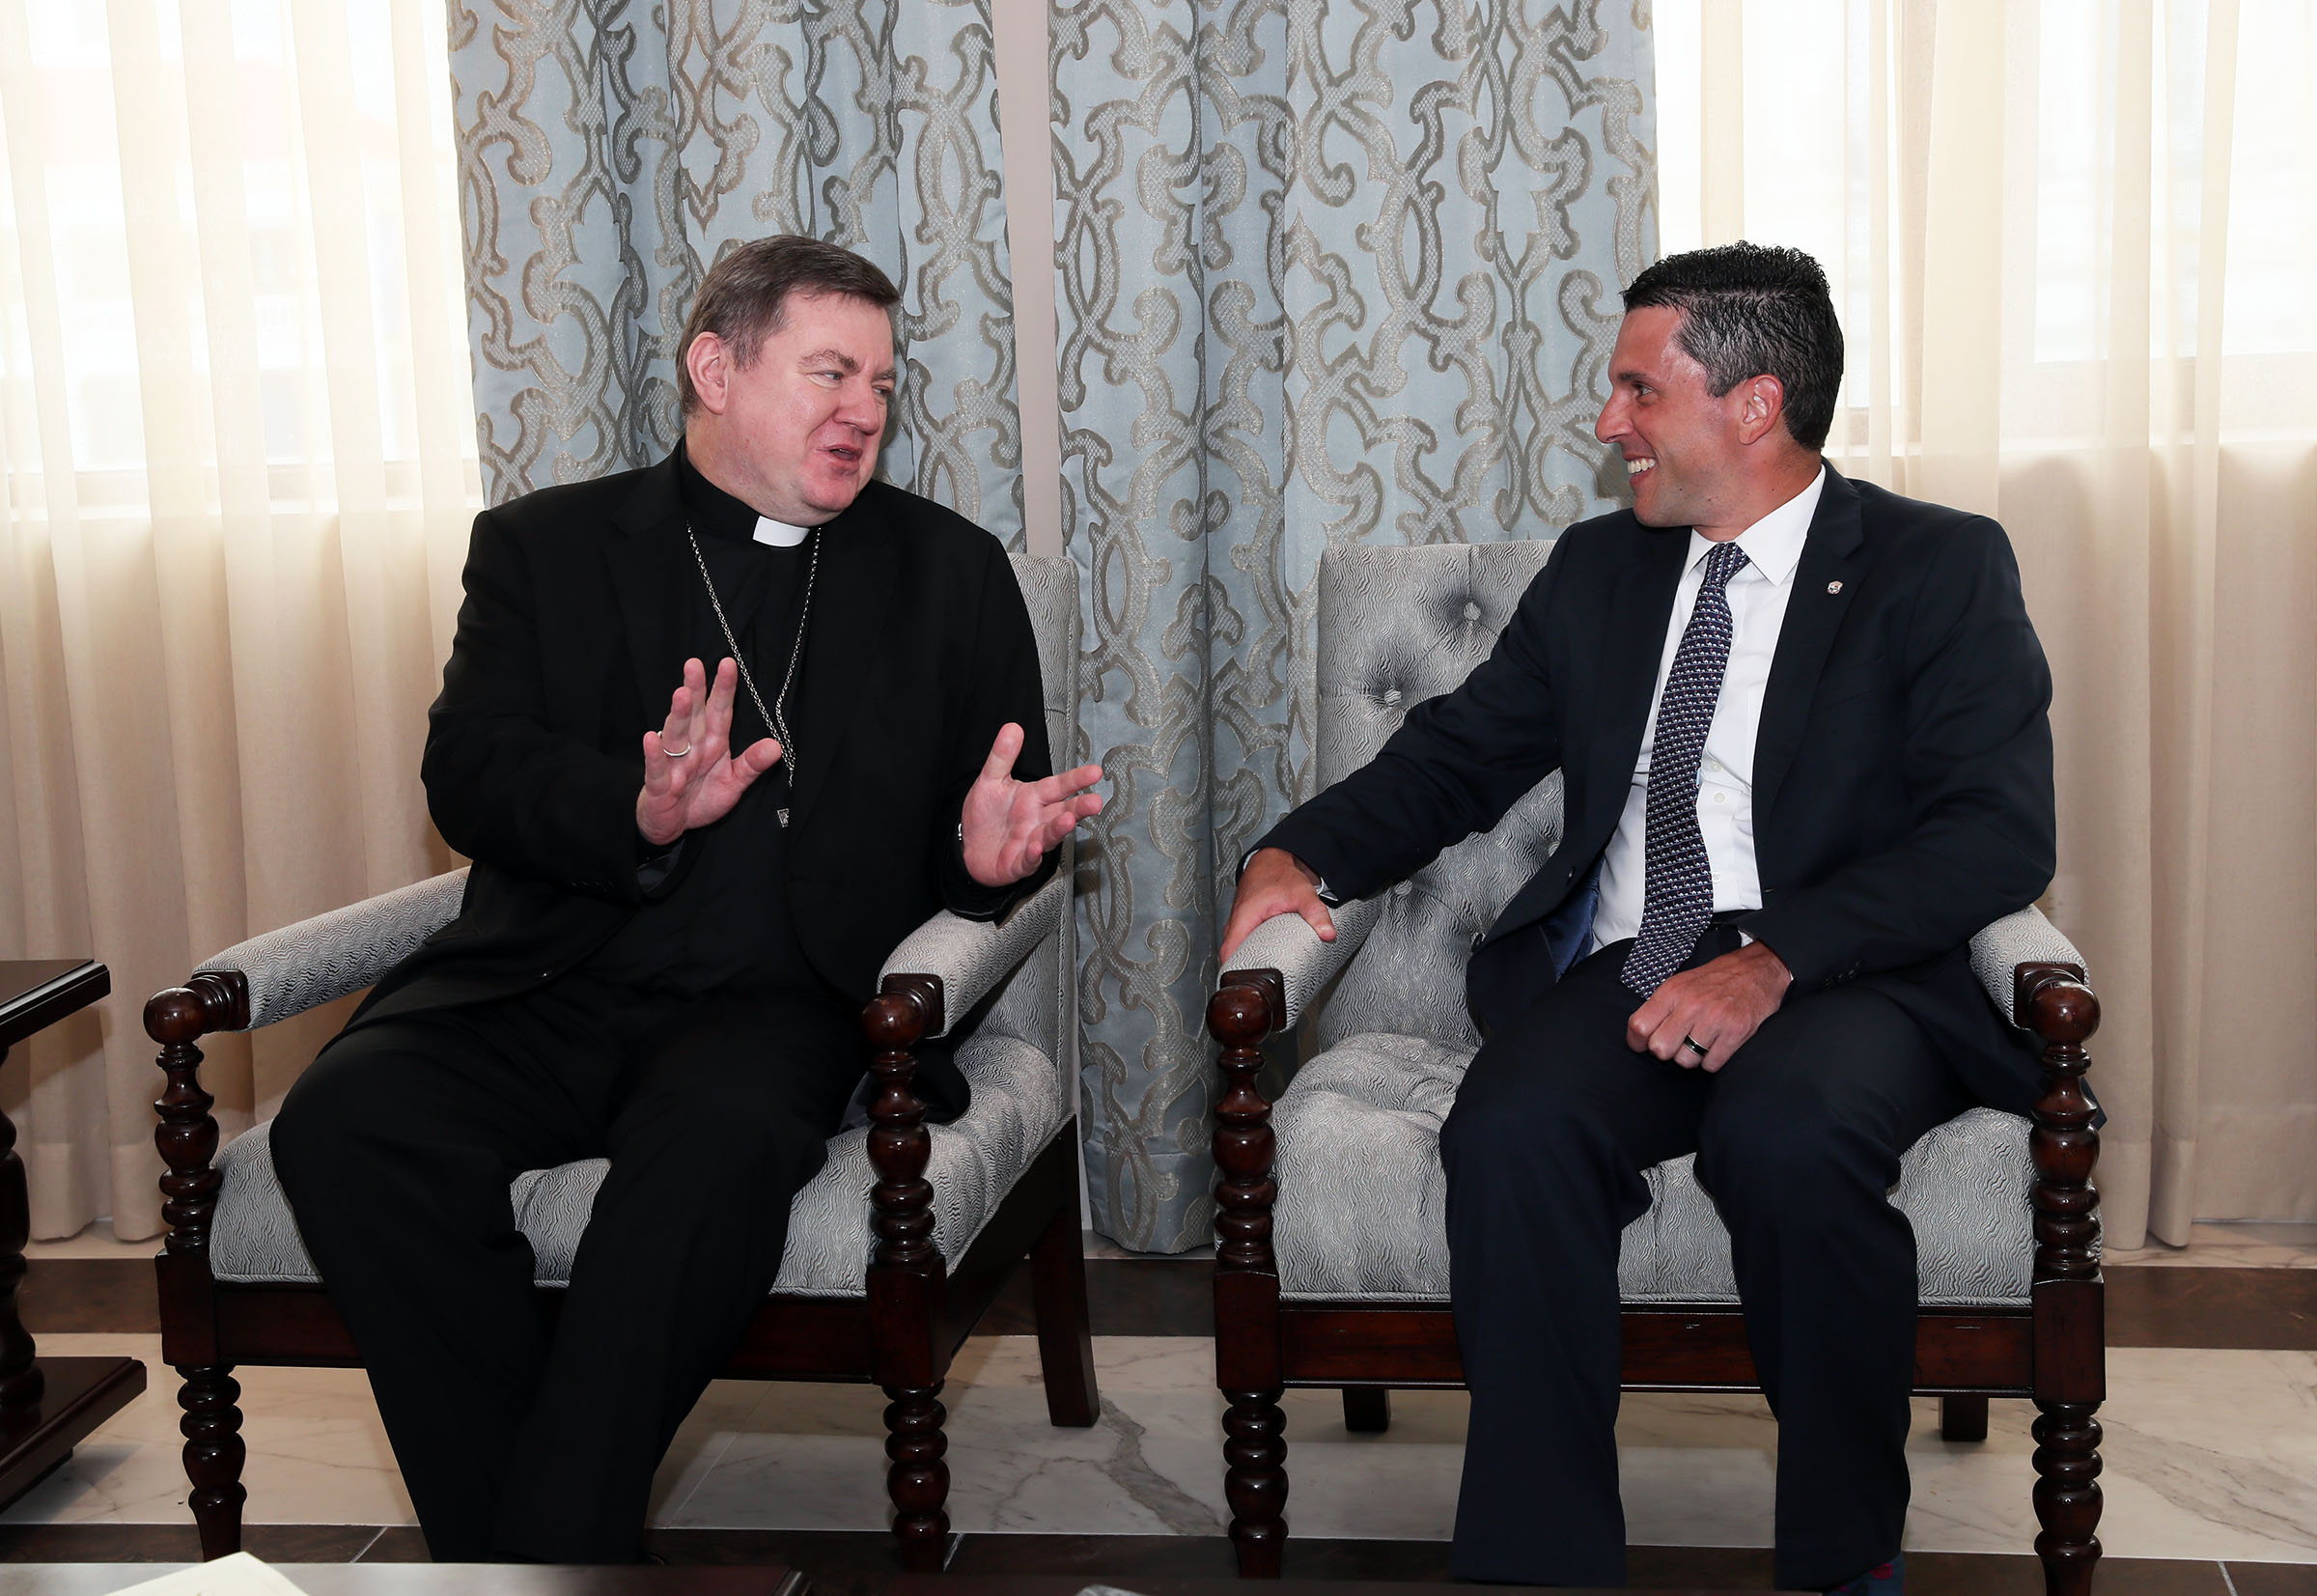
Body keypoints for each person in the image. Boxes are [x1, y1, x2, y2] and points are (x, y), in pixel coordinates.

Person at [1219, 242, 2053, 1593]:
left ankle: (1844, 1559)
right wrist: (1295, 849)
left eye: (1639, 390)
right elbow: (1461, 755)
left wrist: (1775, 959)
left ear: (1754, 405)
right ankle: (1540, 1564)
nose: (1610, 422)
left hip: (1853, 973)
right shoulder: (1604, 569)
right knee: (1511, 1129)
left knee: (1789, 1134)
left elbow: (1997, 833)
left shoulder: (1936, 565)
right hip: (1640, 961)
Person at [269, 236, 1103, 1563]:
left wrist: (985, 857)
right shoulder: (544, 548)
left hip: (779, 1007)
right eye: (831, 372)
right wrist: (639, 809)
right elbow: (468, 774)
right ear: (716, 370)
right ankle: (547, 1547)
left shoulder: (949, 572)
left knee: (710, 1156)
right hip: (550, 980)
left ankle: (529, 1557)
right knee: (347, 1119)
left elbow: (988, 816)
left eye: (883, 383)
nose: (866, 409)